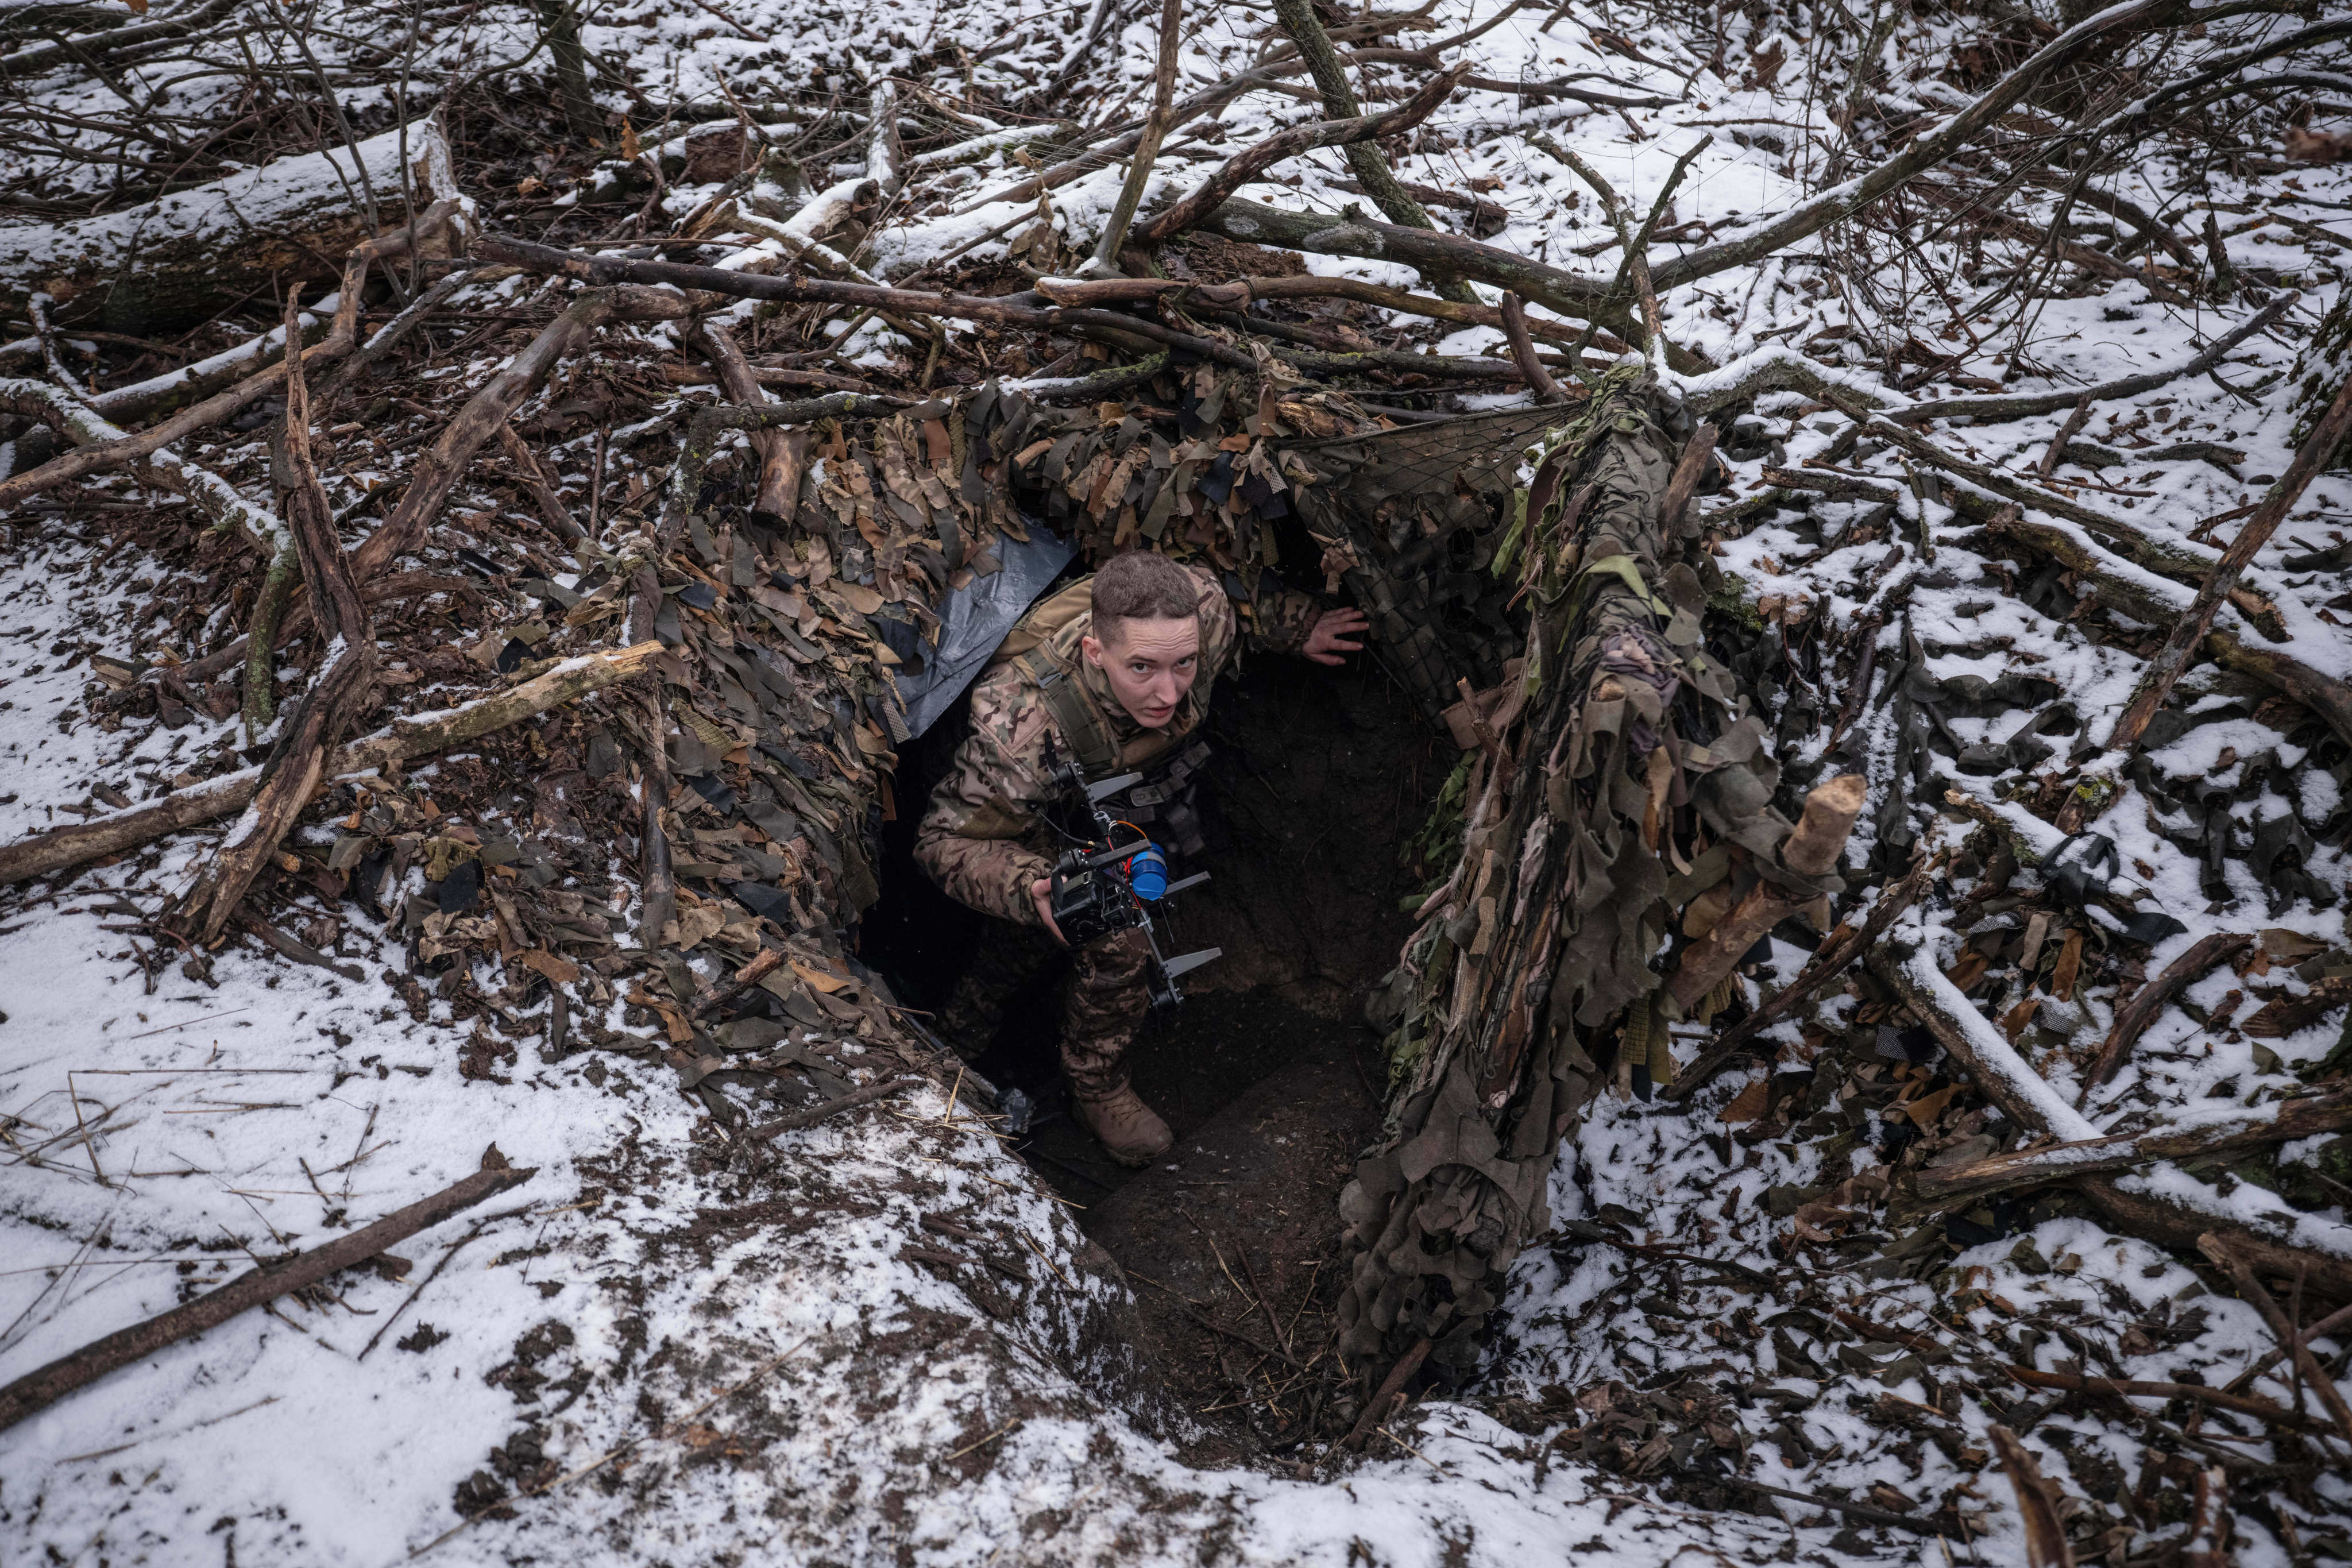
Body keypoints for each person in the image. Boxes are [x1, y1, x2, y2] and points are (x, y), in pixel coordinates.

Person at [913, 551, 1369, 1165]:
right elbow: (942, 842)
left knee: (1073, 913)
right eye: (1143, 668)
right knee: (1106, 928)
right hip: (1016, 824)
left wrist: (1298, 625)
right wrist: (1034, 885)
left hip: (1100, 796)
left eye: (1184, 664)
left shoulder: (1202, 610)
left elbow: (1239, 599)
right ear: (1096, 654)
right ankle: (1082, 1080)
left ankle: (978, 1021)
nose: (1169, 692)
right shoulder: (1021, 730)